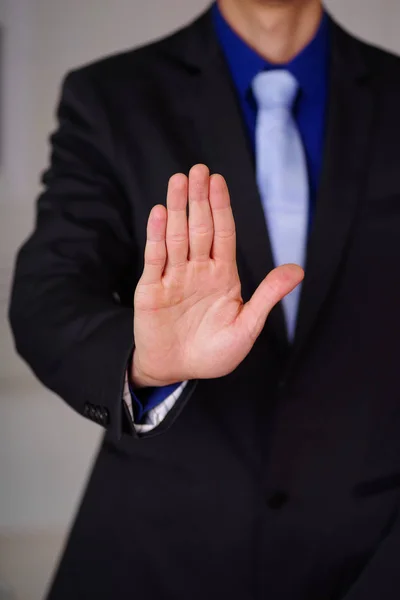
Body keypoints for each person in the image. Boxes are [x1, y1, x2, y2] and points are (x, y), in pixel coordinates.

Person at [8, 0, 400, 597]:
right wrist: (144, 362)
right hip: (153, 559)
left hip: (369, 555)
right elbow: (47, 296)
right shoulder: (112, 95)